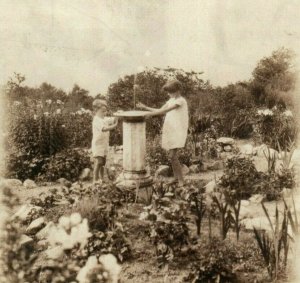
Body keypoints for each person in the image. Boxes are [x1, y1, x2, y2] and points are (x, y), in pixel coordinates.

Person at [137, 79, 189, 187]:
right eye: (168, 92)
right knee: (171, 156)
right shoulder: (170, 100)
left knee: (173, 156)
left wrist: (149, 114)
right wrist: (145, 108)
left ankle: (181, 181)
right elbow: (159, 110)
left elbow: (164, 111)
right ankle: (176, 178)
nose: (169, 94)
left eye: (171, 91)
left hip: (178, 130)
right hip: (171, 130)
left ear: (178, 90)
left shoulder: (181, 101)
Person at [91, 99, 118, 184]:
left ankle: (101, 179)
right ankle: (95, 180)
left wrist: (118, 114)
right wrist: (115, 125)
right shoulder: (96, 120)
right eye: (102, 111)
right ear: (96, 111)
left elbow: (113, 119)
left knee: (103, 163)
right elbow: (104, 129)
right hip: (98, 144)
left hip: (104, 144)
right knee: (99, 162)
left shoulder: (104, 119)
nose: (105, 113)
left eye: (105, 111)